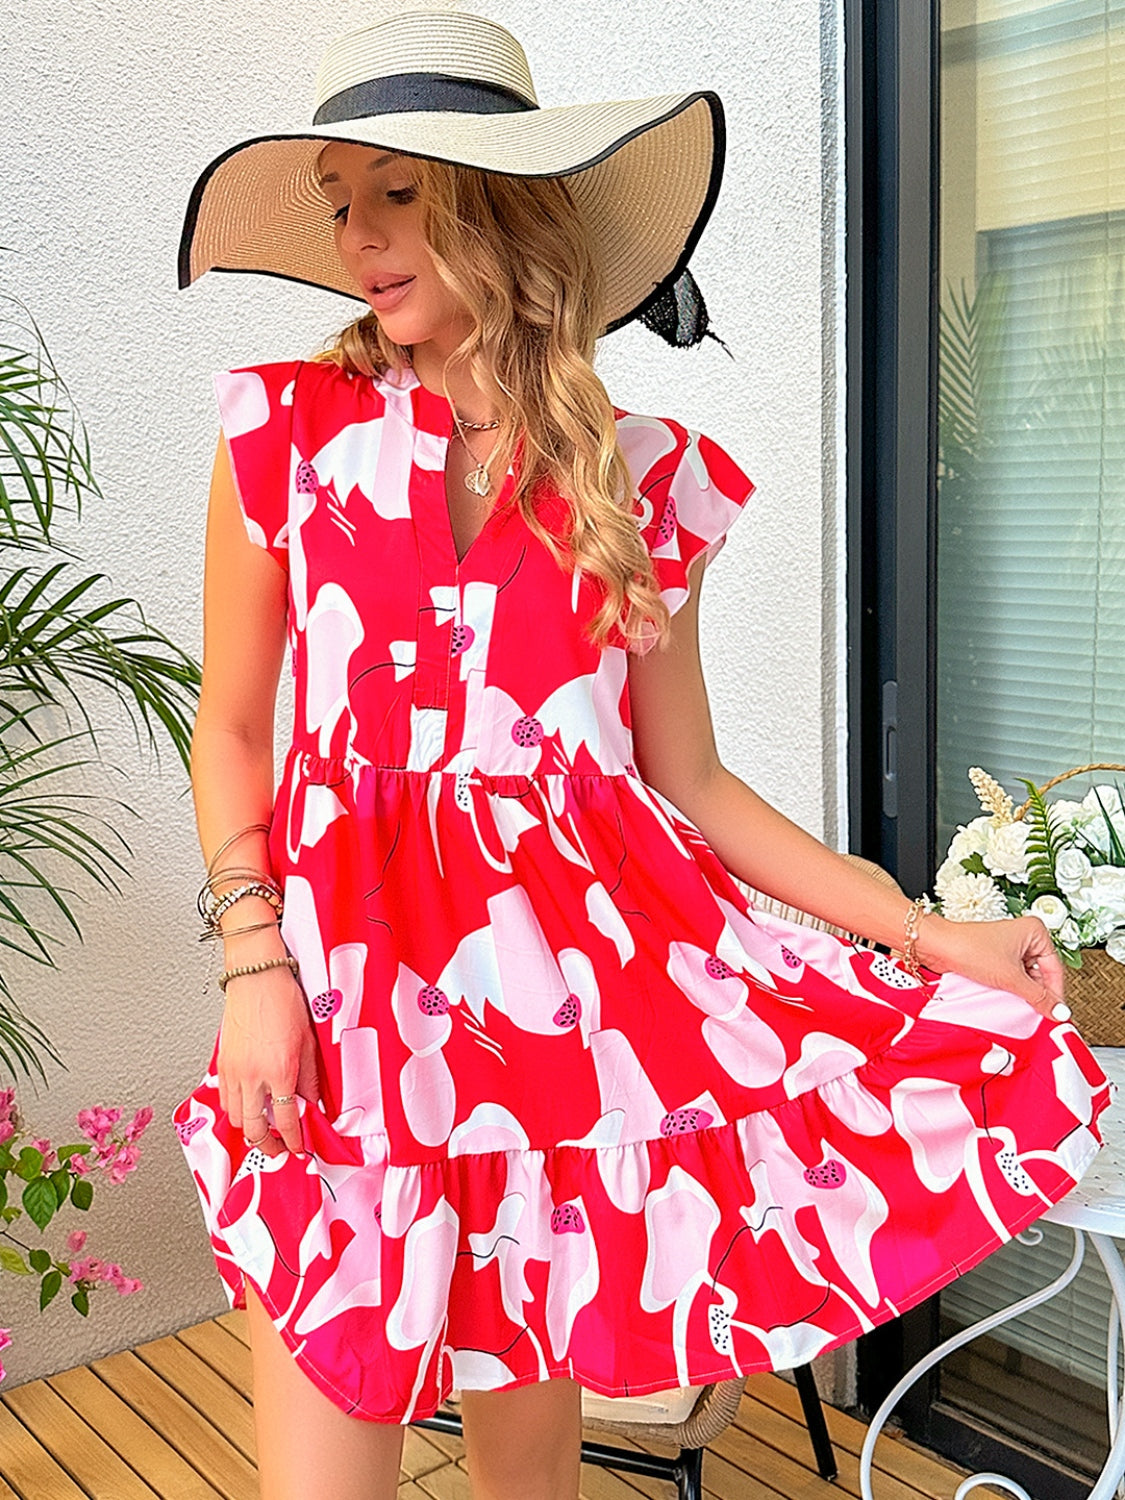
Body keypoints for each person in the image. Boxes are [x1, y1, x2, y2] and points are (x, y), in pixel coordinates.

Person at [171, 10, 1111, 1500]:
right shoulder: (281, 435)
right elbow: (230, 727)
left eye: (397, 193)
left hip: (565, 1036)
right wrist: (251, 967)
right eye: (340, 200)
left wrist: (929, 934)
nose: (357, 236)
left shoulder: (640, 476)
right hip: (348, 1007)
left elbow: (693, 783)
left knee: (527, 1474)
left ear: (502, 206)